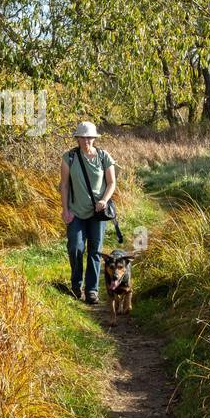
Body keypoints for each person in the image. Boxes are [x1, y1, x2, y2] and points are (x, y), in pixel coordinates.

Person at [59, 121, 117, 303]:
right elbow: (64, 185)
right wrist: (65, 209)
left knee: (95, 251)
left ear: (95, 138)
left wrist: (104, 200)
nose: (86, 141)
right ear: (77, 138)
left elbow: (111, 182)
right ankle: (76, 285)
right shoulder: (69, 157)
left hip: (97, 213)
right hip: (76, 212)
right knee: (75, 247)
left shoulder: (103, 156)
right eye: (83, 137)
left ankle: (92, 290)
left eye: (90, 137)